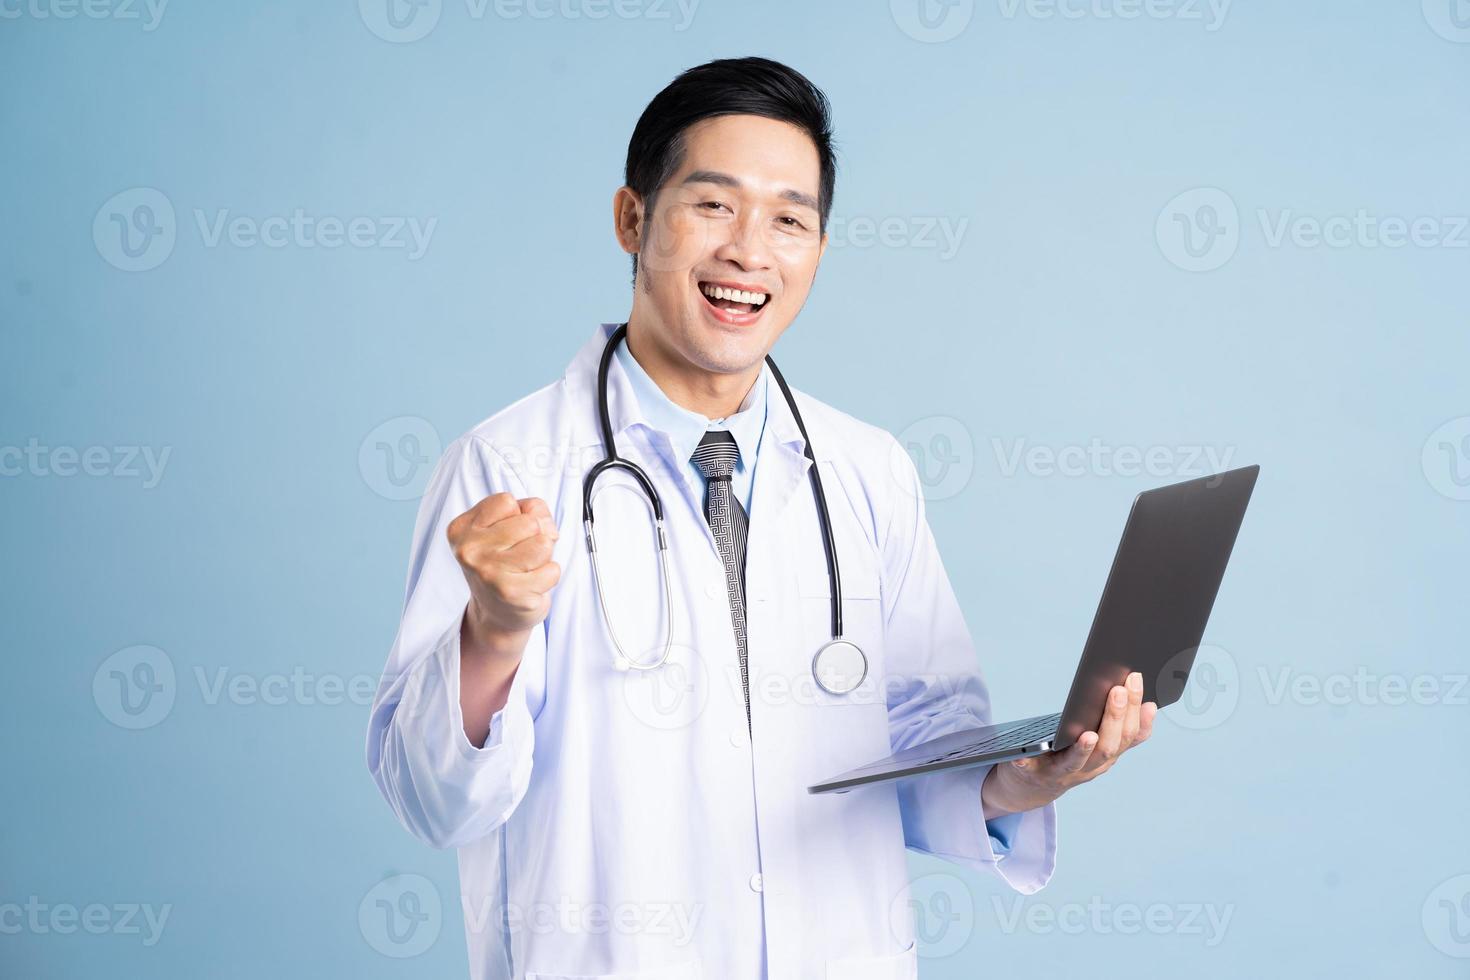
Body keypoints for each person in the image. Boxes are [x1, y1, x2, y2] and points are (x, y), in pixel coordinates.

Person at [366, 56, 1155, 980]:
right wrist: (491, 637)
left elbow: (922, 739)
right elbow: (433, 804)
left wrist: (1022, 780)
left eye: (789, 219)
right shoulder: (506, 471)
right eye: (713, 205)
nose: (750, 250)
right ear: (632, 218)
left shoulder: (867, 471)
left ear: (818, 248)